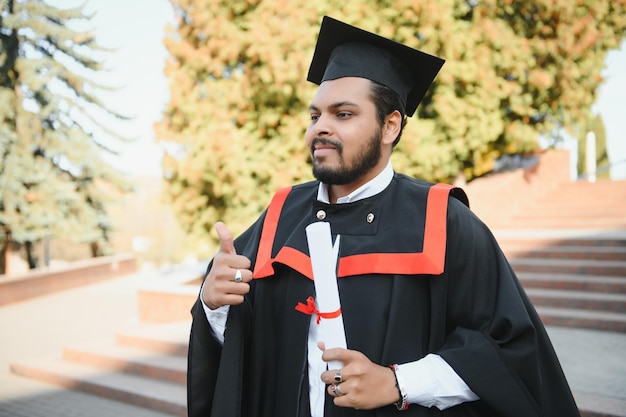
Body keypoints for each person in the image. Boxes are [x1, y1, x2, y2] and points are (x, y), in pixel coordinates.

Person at [187, 16, 581, 417]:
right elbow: (244, 352)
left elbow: (508, 353)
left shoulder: (443, 221)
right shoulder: (280, 215)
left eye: (342, 114)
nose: (319, 129)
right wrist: (214, 306)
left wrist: (398, 383)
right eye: (314, 116)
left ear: (390, 125)